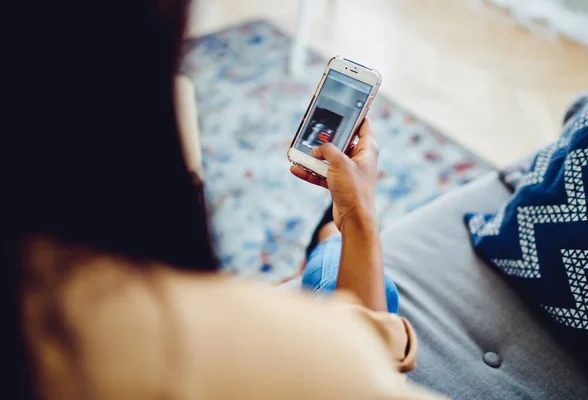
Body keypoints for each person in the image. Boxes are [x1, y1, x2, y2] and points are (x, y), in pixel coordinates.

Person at [5, 1, 444, 399]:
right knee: (343, 270)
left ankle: (326, 238)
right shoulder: (231, 341)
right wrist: (358, 215)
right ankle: (330, 234)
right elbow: (372, 371)